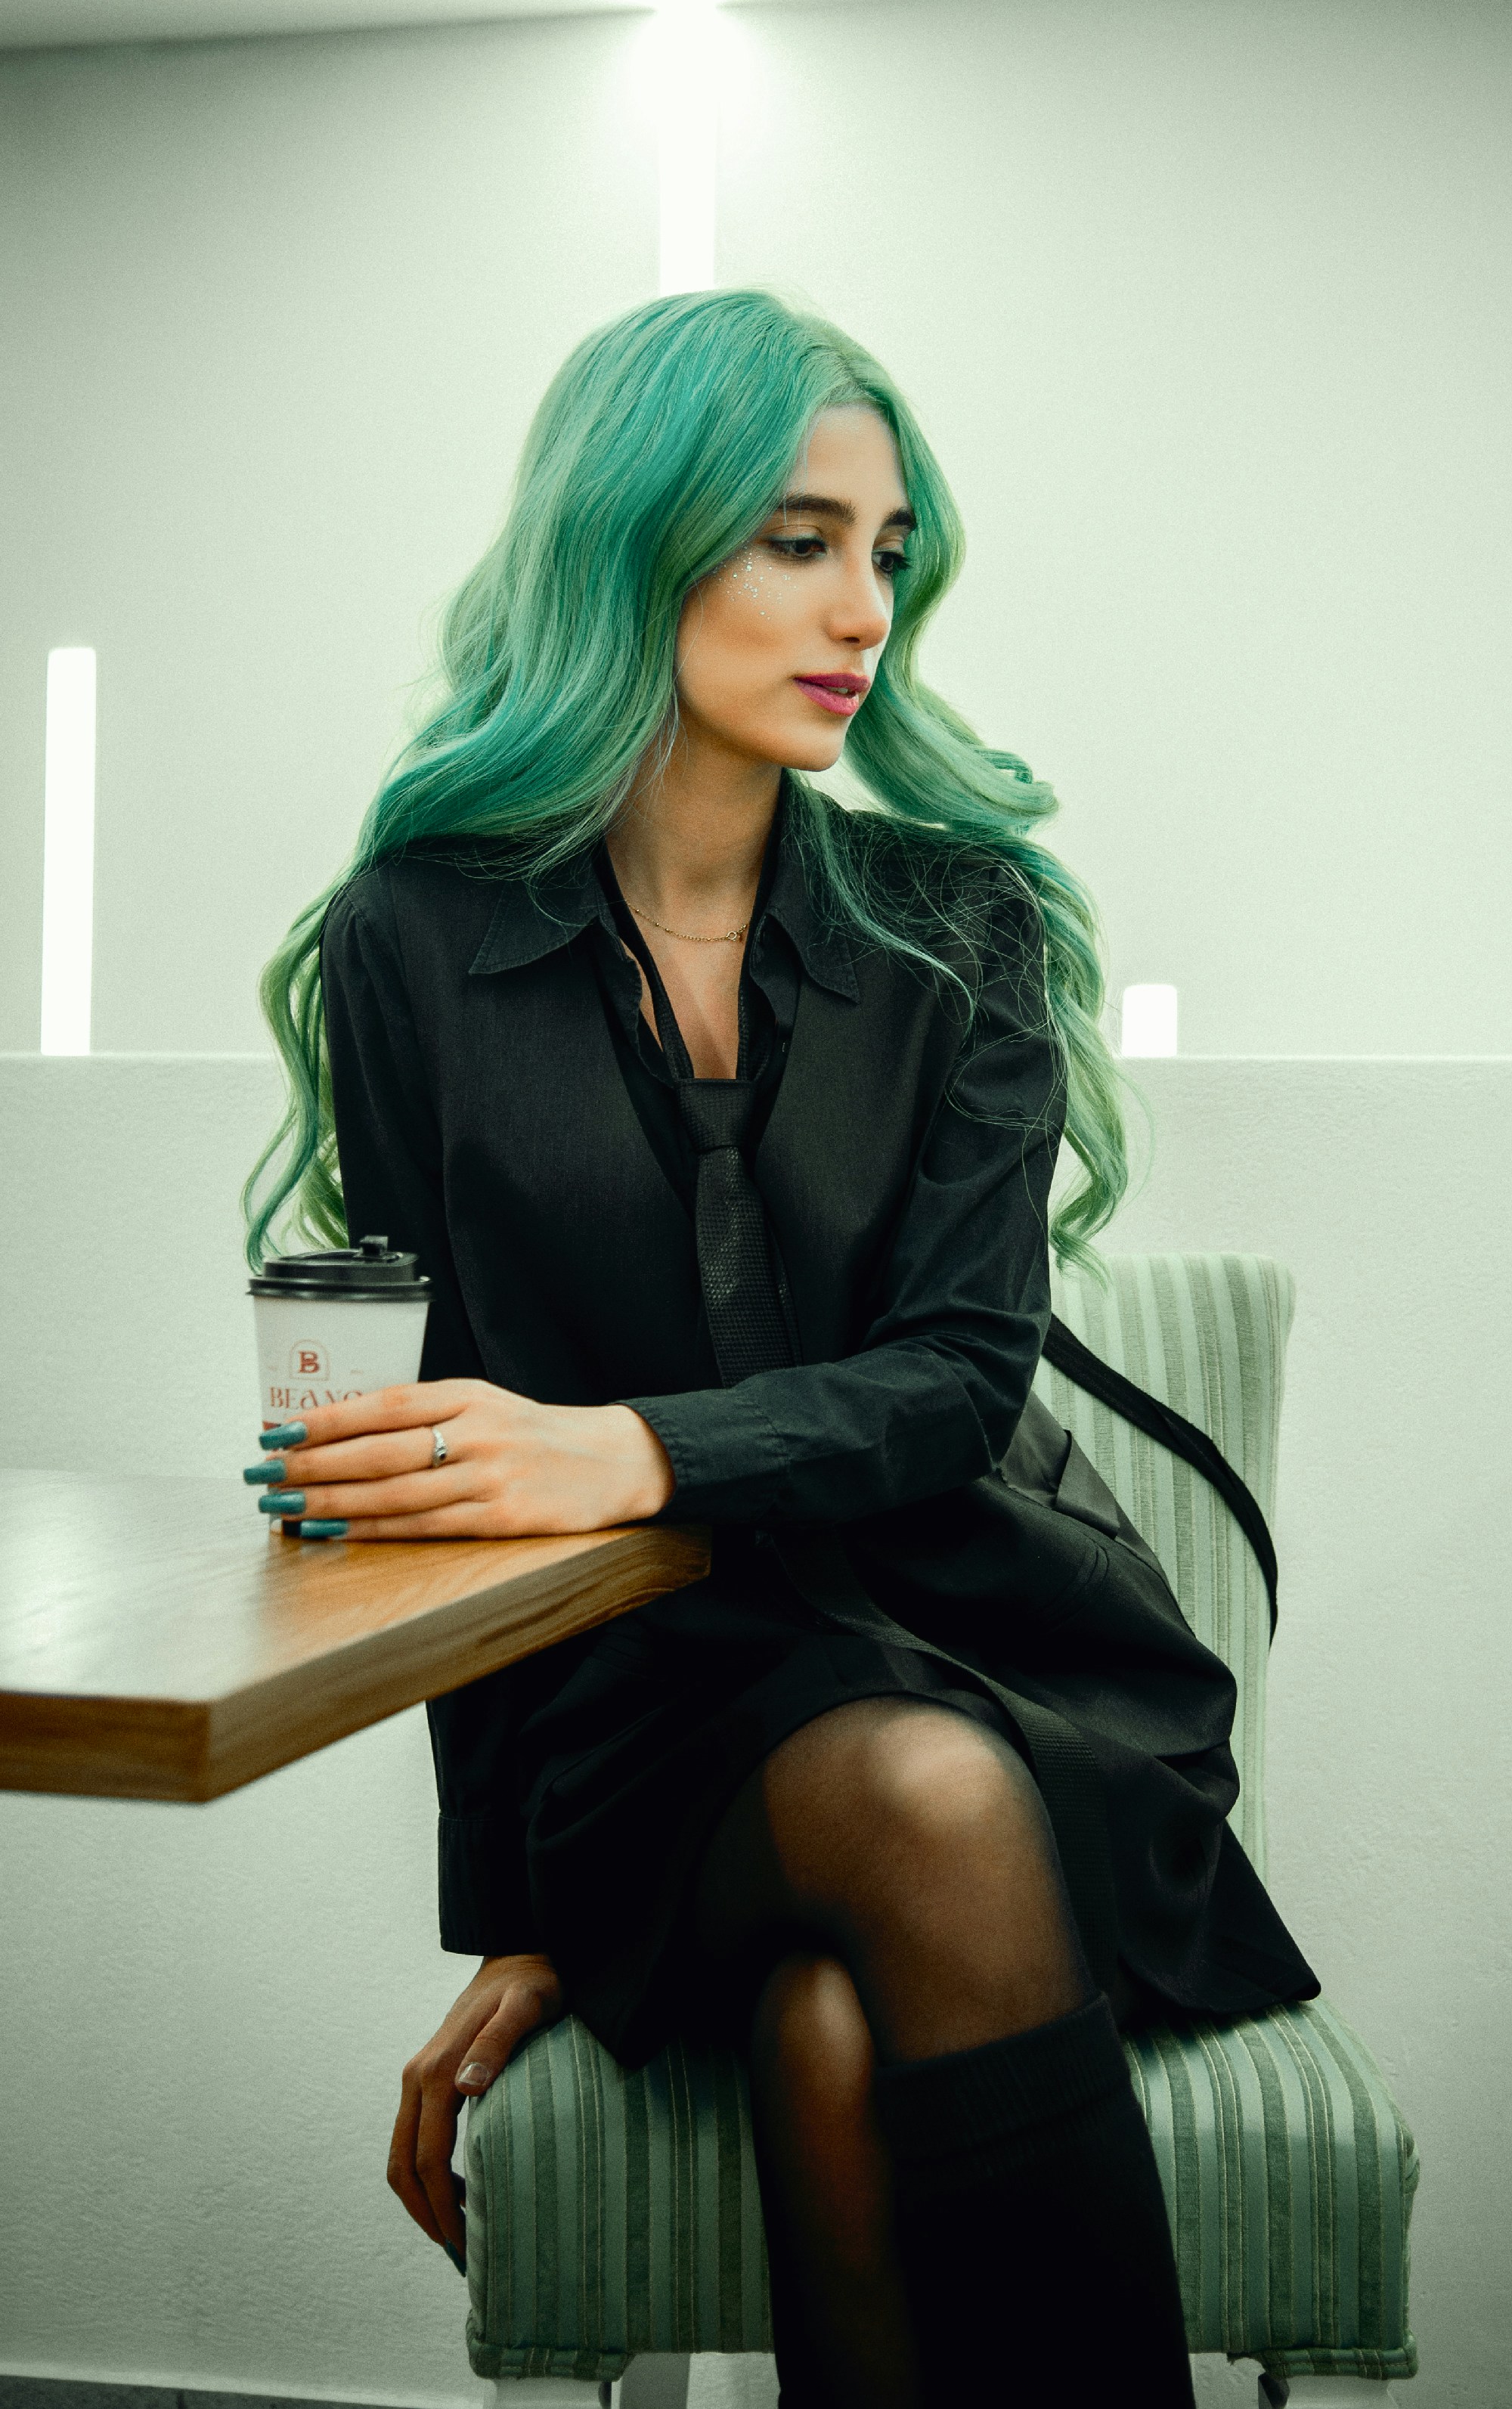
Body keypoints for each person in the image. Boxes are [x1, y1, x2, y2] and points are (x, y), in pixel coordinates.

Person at [246, 291, 1315, 2409]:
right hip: (647, 1741)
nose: (863, 608)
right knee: (912, 1818)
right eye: (798, 538)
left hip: (981, 1653)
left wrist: (622, 1446)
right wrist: (516, 1909)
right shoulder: (414, 939)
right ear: (639, 541)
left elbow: (954, 1377)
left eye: (890, 549)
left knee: (843, 2020)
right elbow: (404, 1474)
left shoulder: (965, 920)